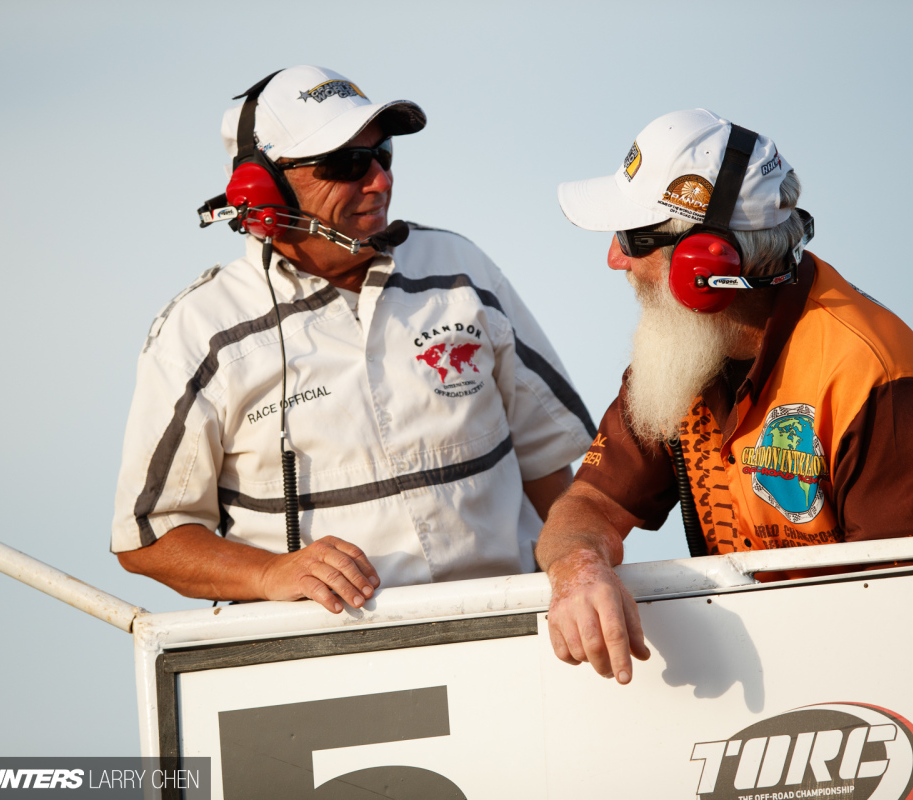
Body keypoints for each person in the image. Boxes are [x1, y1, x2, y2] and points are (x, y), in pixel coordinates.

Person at [536, 108, 913, 684]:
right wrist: (579, 570)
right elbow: (586, 508)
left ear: (703, 265)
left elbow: (910, 624)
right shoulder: (676, 357)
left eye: (632, 238)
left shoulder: (880, 380)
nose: (614, 258)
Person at [112, 66, 594, 612]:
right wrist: (272, 572)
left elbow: (548, 466)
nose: (380, 180)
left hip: (508, 632)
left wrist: (580, 568)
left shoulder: (462, 269)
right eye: (347, 163)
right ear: (260, 189)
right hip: (336, 675)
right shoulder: (200, 329)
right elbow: (149, 536)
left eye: (382, 153)